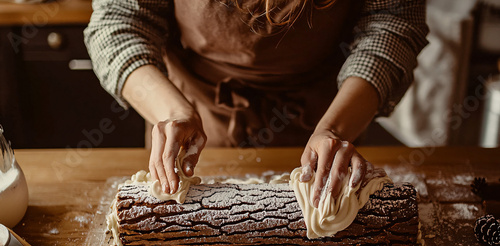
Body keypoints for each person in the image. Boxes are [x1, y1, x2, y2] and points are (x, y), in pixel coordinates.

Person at [85, 0, 428, 207]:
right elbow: (119, 22)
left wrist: (335, 128)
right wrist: (172, 111)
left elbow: (392, 24)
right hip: (193, 118)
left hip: (326, 114)